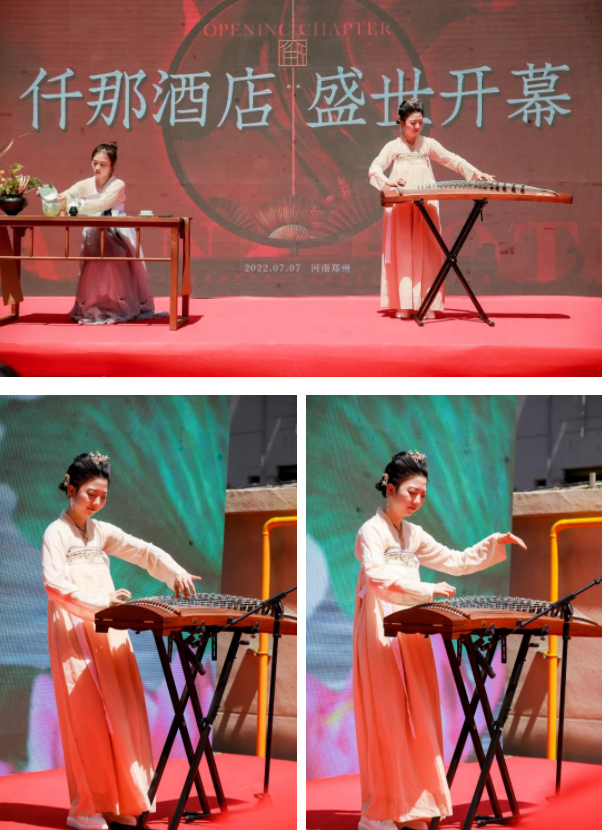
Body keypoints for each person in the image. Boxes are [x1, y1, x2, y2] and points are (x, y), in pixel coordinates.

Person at [353, 451, 527, 830]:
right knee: (387, 716)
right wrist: (427, 589)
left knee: (420, 718)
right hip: (380, 627)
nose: (417, 500)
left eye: (422, 495)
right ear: (390, 487)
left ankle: (412, 808)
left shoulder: (413, 534)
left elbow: (456, 561)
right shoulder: (371, 530)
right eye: (411, 492)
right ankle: (377, 812)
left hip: (412, 629)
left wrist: (494, 542)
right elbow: (377, 577)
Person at [42, 452, 202, 830]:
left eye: (103, 496)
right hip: (75, 628)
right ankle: (84, 809)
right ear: (71, 488)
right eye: (90, 494)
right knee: (87, 718)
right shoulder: (56, 533)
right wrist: (100, 603)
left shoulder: (101, 531)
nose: (96, 502)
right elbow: (54, 584)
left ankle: (118, 803)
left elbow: (141, 550)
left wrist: (175, 572)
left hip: (108, 626)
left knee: (120, 712)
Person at [369, 99, 496, 319]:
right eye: (412, 122)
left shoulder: (427, 144)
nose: (417, 127)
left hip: (425, 204)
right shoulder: (393, 147)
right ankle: (404, 304)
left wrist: (476, 173)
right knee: (403, 250)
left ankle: (426, 303)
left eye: (420, 122)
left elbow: (452, 159)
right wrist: (388, 182)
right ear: (401, 122)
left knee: (427, 250)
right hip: (401, 206)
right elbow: (374, 168)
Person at [49, 143, 163, 324]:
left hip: (116, 232)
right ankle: (94, 307)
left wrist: (74, 206)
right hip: (94, 232)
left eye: (103, 164)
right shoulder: (85, 184)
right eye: (94, 163)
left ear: (112, 166)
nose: (97, 168)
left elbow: (101, 204)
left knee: (116, 260)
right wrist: (51, 197)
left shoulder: (118, 184)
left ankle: (120, 307)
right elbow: (66, 196)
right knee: (92, 266)